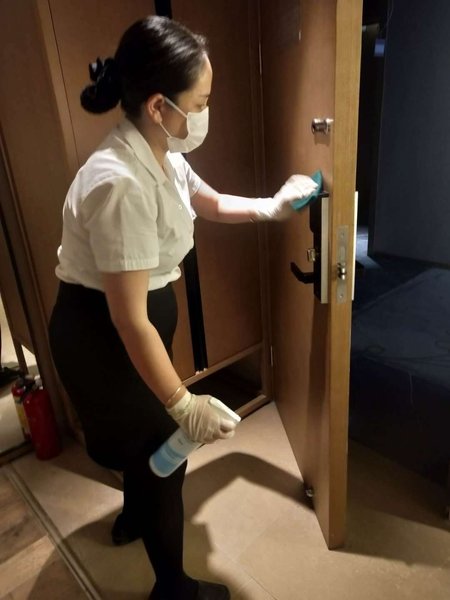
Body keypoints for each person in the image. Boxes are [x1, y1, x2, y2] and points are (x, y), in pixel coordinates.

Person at [48, 15, 317, 600]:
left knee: (143, 447)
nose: (204, 113)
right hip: (105, 338)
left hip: (130, 325)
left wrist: (270, 206)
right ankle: (174, 590)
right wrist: (183, 403)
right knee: (161, 454)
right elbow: (128, 319)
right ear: (158, 105)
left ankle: (135, 515)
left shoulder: (160, 149)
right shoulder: (120, 182)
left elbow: (208, 200)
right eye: (201, 102)